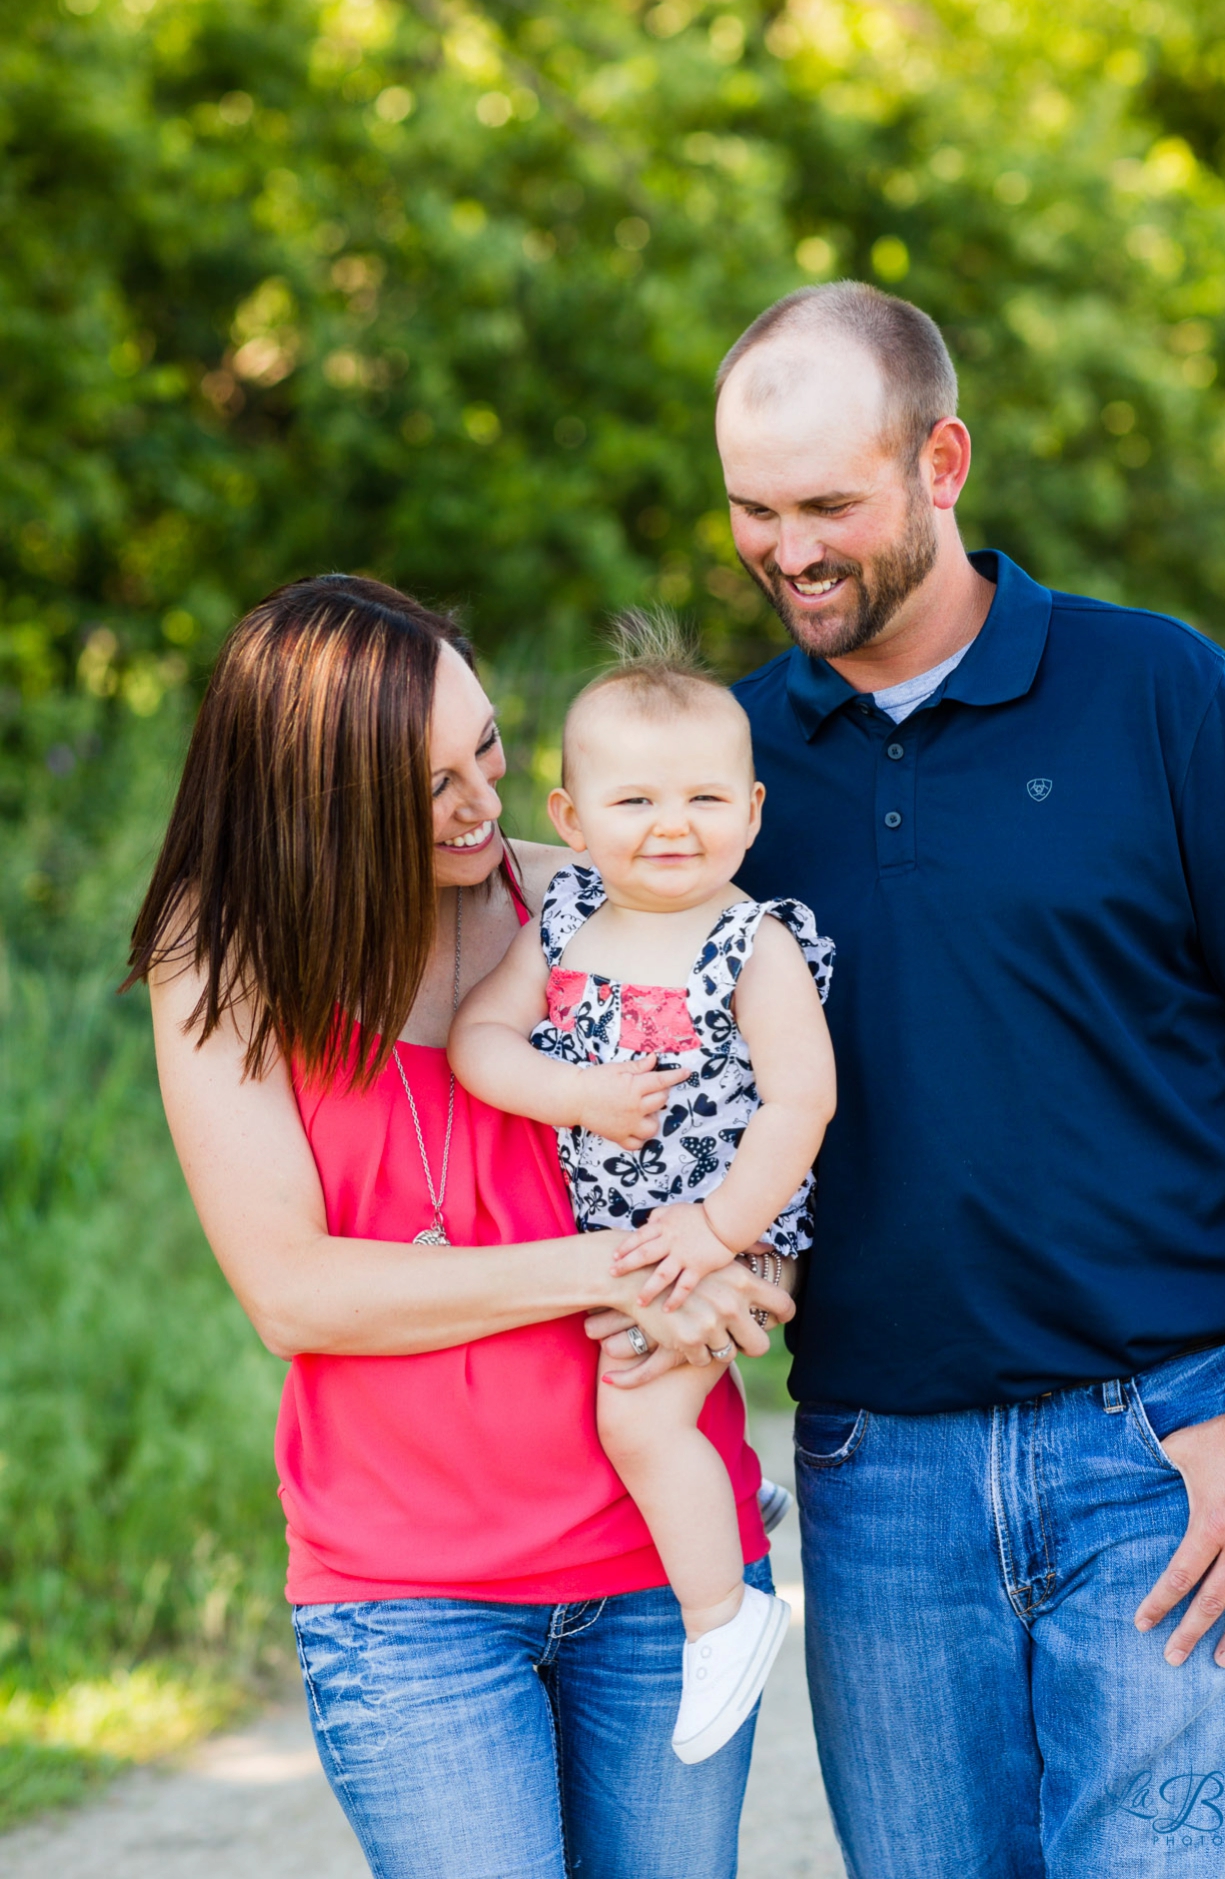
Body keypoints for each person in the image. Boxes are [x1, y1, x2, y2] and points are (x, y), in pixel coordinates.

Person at [716, 281, 1225, 1878]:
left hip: (1168, 1461)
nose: (786, 548)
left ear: (941, 464)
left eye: (826, 504)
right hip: (877, 1481)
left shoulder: (1158, 694)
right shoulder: (721, 773)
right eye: (749, 507)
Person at [126, 574, 793, 1879]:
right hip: (407, 1600)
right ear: (314, 797)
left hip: (662, 1572)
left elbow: (731, 1132)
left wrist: (745, 1263)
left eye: (485, 746)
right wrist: (618, 1265)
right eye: (426, 784)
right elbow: (297, 1293)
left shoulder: (589, 911)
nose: (480, 803)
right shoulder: (222, 962)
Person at [451, 614, 836, 1765]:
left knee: (634, 1406)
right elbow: (481, 1040)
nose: (673, 827)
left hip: (726, 1221)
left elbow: (800, 1104)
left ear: (753, 812)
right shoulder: (564, 919)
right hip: (613, 1222)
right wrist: (576, 1099)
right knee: (603, 1386)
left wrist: (719, 1233)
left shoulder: (751, 942)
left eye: (706, 802)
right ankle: (729, 1495)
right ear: (570, 822)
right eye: (635, 803)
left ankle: (727, 1617)